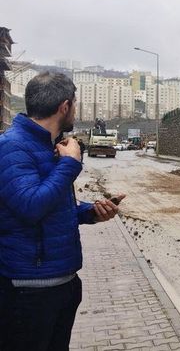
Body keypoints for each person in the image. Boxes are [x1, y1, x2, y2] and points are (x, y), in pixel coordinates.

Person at [0, 72, 126, 350]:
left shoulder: (48, 145)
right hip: (29, 291)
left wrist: (90, 212)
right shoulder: (11, 147)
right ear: (65, 106)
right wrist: (69, 165)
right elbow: (30, 206)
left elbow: (52, 206)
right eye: (75, 104)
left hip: (61, 285)